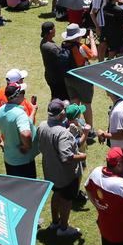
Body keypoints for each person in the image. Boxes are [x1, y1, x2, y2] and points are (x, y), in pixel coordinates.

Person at [39, 99, 85, 237]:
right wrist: (82, 157)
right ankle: (64, 228)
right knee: (66, 200)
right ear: (60, 114)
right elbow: (67, 158)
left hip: (50, 171)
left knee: (56, 194)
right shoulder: (63, 133)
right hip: (65, 175)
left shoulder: (42, 125)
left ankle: (54, 222)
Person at [0, 81, 38, 177]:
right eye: (23, 92)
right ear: (17, 96)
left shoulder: (1, 110)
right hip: (24, 162)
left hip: (9, 160)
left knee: (15, 189)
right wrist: (27, 146)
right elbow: (26, 134)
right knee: (28, 190)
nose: (24, 95)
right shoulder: (20, 114)